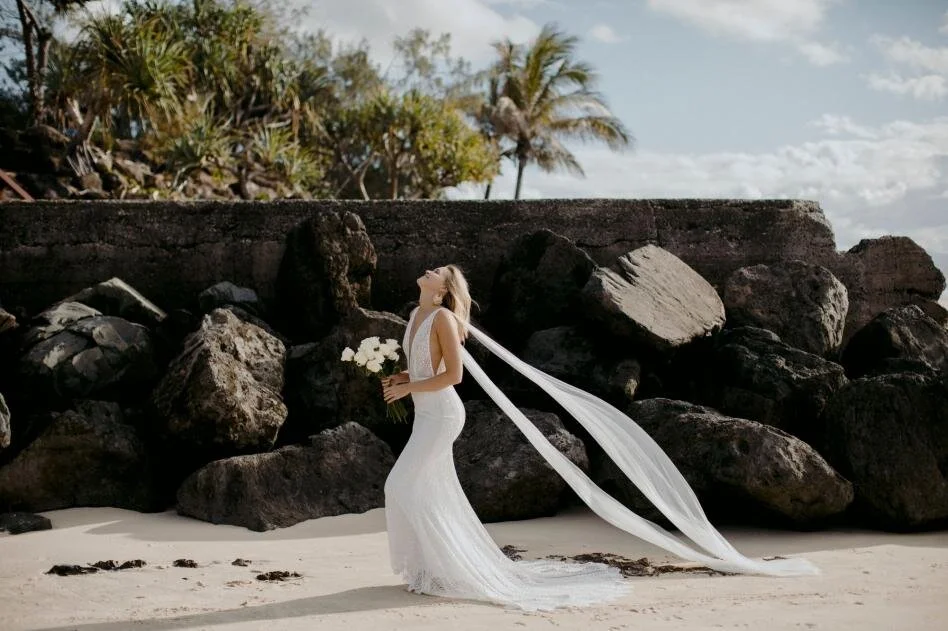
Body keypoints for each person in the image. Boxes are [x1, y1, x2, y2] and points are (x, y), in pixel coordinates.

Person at [381, 264, 817, 611]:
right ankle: (430, 571)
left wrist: (407, 387)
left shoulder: (439, 317)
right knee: (426, 490)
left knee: (400, 484)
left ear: (442, 291)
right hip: (424, 415)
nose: (431, 270)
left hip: (441, 417)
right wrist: (400, 378)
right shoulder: (416, 315)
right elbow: (428, 370)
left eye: (438, 272)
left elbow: (453, 376)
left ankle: (444, 568)